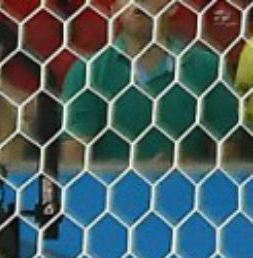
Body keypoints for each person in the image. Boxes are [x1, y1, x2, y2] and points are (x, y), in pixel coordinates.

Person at [62, 0, 239, 166]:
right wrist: (139, 174)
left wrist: (187, 169)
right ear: (115, 9)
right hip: (112, 194)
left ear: (172, 7)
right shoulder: (89, 71)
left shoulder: (207, 67)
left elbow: (228, 152)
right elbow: (74, 161)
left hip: (187, 192)